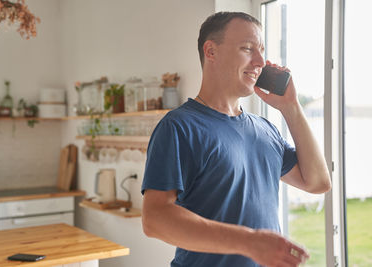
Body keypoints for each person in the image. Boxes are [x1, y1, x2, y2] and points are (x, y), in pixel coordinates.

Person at [141, 11, 331, 267]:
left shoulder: (265, 130)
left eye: (261, 51)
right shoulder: (178, 127)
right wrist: (249, 241)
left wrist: (291, 107)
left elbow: (318, 182)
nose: (260, 61)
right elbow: (155, 219)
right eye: (247, 48)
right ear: (211, 52)